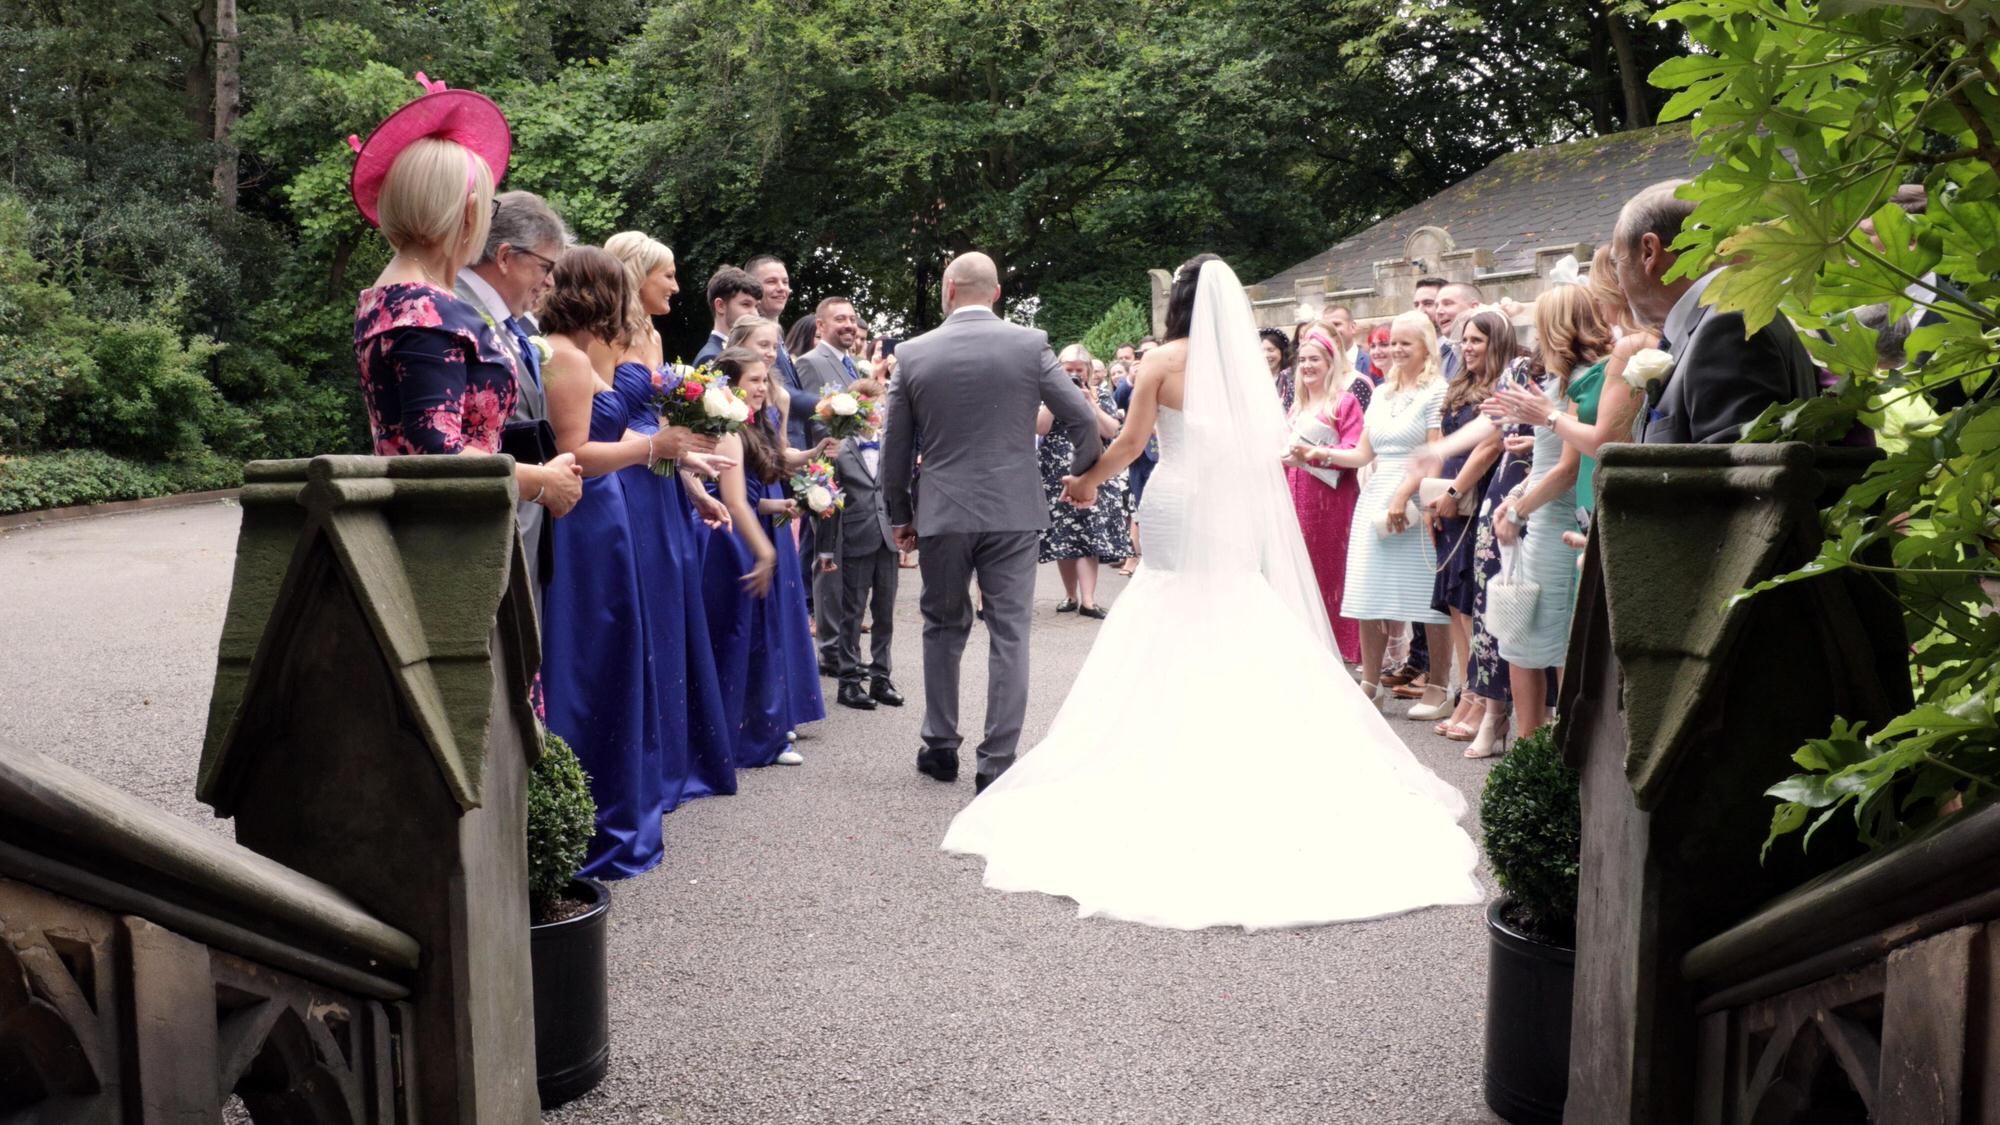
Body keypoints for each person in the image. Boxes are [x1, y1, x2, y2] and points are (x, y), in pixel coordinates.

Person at [940, 256, 1480, 931]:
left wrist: (1085, 483)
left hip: (1176, 500)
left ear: (1179, 303)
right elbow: (1264, 451)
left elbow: (1135, 443)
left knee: (1167, 606)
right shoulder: (1245, 370)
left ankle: (1160, 765)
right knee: (1235, 608)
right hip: (1225, 509)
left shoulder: (1163, 361)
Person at [881, 251, 1100, 794]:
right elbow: (1080, 419)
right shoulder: (1030, 345)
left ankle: (939, 745)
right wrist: (1080, 480)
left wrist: (901, 514)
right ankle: (997, 761)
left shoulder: (912, 353)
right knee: (1010, 632)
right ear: (997, 294)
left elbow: (894, 447)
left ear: (948, 289)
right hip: (1013, 509)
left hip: (944, 509)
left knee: (942, 625)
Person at [350, 75, 582, 518]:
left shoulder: (392, 297)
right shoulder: (426, 310)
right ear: (471, 209)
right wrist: (541, 481)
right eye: (489, 206)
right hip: (452, 538)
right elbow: (437, 455)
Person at [538, 247, 693, 878]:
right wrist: (653, 446)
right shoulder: (565, 357)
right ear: (601, 294)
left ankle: (616, 806)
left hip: (611, 514)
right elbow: (576, 451)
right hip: (585, 520)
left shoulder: (580, 352)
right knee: (590, 653)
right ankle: (594, 822)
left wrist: (675, 455)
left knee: (618, 653)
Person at [604, 229, 740, 806]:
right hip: (623, 483)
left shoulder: (655, 335)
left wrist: (693, 488)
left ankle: (668, 761)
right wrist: (671, 450)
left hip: (661, 486)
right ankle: (639, 766)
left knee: (669, 614)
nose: (677, 286)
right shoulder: (606, 331)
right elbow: (609, 425)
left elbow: (661, 431)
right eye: (668, 274)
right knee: (640, 616)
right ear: (637, 273)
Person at [1304, 310, 1451, 714]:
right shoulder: (1383, 393)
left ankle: (1439, 687)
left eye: (1406, 343)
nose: (1396, 350)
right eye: (1390, 343)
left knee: (1426, 598)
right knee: (1369, 591)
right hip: (1377, 496)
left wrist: (1406, 496)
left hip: (1416, 495)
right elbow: (1363, 453)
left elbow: (1435, 452)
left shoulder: (1436, 389)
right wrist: (1321, 452)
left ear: (1425, 347)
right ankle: (1370, 682)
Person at [1485, 286, 1609, 735]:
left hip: (1557, 521)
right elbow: (1545, 459)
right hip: (1536, 514)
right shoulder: (1557, 379)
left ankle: (1558, 756)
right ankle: (1528, 749)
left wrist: (1517, 511)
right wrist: (1515, 499)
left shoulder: (1585, 379)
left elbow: (1567, 468)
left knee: (1556, 642)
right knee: (1520, 640)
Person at [1613, 180, 1819, 443]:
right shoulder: (1719, 319)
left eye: (1618, 261)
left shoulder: (1727, 325)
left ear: (1649, 251)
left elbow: (1735, 473)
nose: (1619, 284)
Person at [451, 190, 582, 602]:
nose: (550, 282)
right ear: (506, 256)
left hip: (519, 523)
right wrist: (541, 482)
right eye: (545, 266)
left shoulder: (510, 323)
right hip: (476, 535)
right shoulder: (456, 308)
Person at [699, 346, 826, 767]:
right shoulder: (730, 432)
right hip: (732, 541)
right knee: (742, 638)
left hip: (742, 531)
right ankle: (746, 740)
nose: (762, 387)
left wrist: (776, 507)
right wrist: (764, 550)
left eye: (764, 380)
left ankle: (753, 733)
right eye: (754, 380)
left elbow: (750, 497)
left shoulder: (747, 426)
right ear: (730, 384)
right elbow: (733, 502)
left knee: (754, 637)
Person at [1423, 309, 1510, 743]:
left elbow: (1490, 446)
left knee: (1473, 601)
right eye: (1465, 341)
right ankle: (1468, 693)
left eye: (1478, 340)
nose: (1469, 348)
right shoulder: (1458, 385)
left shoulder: (1499, 388)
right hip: (1447, 495)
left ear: (1497, 344)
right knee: (1455, 603)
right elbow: (1439, 444)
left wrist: (1455, 494)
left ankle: (1481, 696)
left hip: (1476, 496)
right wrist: (1432, 497)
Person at [816, 387, 906, 711]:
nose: (874, 413)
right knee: (852, 613)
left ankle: (881, 676)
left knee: (885, 612)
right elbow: (828, 502)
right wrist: (825, 550)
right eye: (867, 407)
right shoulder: (838, 449)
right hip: (856, 537)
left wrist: (906, 532)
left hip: (888, 539)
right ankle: (849, 681)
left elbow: (900, 491)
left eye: (878, 406)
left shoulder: (891, 445)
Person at [1281, 326, 1364, 662]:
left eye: (1314, 359)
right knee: (1299, 569)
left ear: (1331, 363)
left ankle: (1340, 645)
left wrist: (1318, 454)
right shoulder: (1297, 404)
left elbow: (1355, 448)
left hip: (1331, 499)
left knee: (1332, 570)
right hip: (1295, 494)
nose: (1307, 366)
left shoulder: (1344, 402)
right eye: (1302, 360)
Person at [1038, 345, 1131, 619]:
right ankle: (1070, 595)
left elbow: (1112, 430)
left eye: (1079, 370)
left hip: (1093, 470)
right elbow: (1041, 428)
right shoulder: (1047, 394)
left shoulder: (1101, 394)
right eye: (1068, 371)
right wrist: (1056, 398)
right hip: (1056, 471)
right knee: (1063, 537)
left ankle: (1088, 600)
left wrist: (1089, 402)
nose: (1074, 375)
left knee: (1089, 533)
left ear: (1089, 371)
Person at [694, 266, 763, 364]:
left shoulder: (744, 353)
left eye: (756, 306)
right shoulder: (712, 358)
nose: (755, 314)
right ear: (720, 306)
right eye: (746, 304)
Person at [1325, 304, 1370, 377]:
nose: (1331, 330)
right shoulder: (1320, 365)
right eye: (1327, 326)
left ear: (1353, 327)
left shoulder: (1372, 363)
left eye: (1336, 324)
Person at [1260, 326, 1294, 412]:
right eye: (1261, 351)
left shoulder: (1291, 377)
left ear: (1282, 351)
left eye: (1271, 350)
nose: (1266, 355)